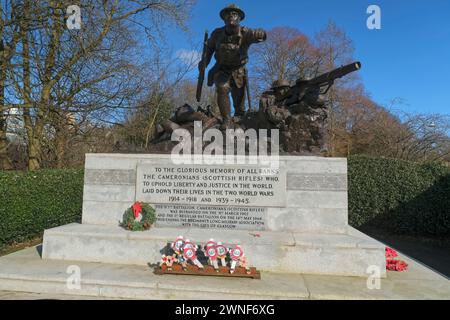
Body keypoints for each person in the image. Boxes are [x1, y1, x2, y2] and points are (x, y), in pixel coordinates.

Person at [198, 4, 266, 129]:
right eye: (228, 14)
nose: (231, 16)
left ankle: (240, 117)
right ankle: (227, 120)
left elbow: (259, 35)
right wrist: (204, 62)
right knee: (222, 88)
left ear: (239, 18)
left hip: (238, 71)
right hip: (221, 69)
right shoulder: (217, 34)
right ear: (223, 18)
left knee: (239, 101)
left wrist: (261, 33)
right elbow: (209, 49)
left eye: (235, 14)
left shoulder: (245, 32)